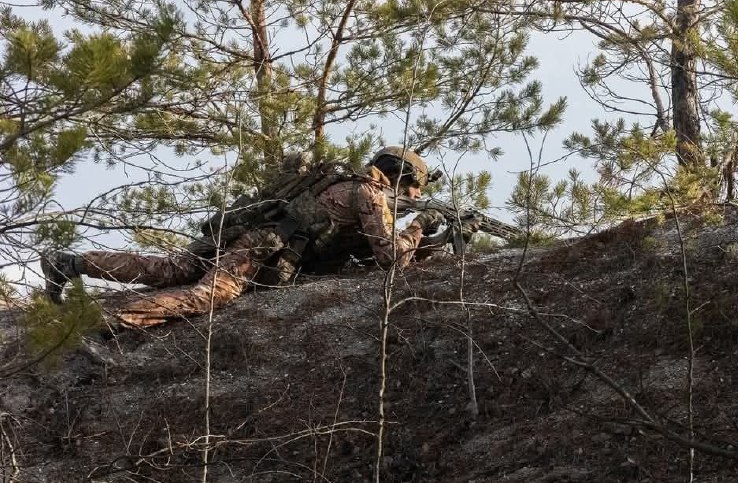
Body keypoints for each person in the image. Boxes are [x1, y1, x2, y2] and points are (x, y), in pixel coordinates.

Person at [40, 147, 452, 328]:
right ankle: (99, 322)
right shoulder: (370, 192)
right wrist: (420, 226)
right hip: (257, 248)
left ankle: (70, 262)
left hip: (244, 232)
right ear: (399, 175)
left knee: (170, 268)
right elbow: (390, 259)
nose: (415, 195)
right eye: (414, 187)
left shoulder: (343, 180)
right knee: (205, 297)